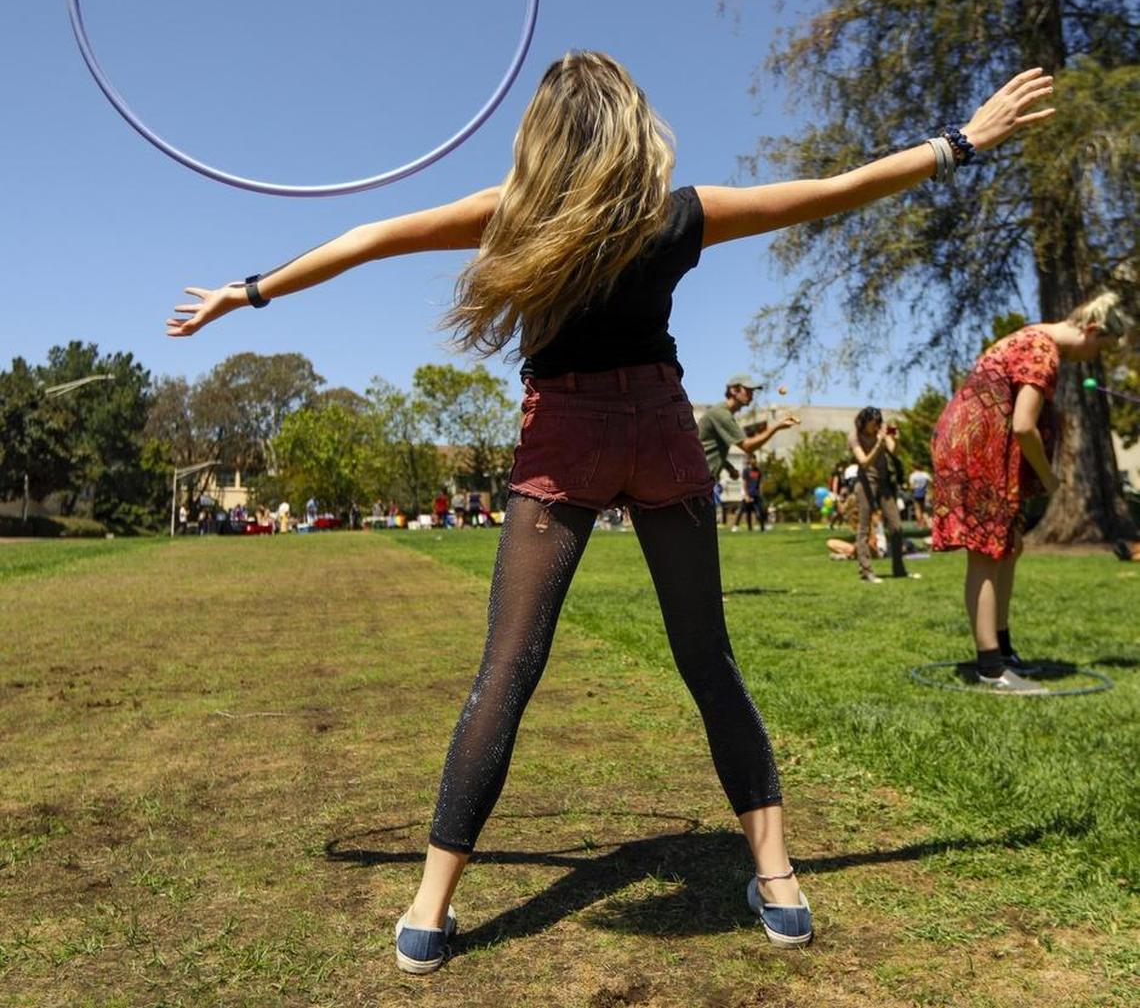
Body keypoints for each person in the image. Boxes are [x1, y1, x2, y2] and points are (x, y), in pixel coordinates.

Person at [166, 52, 1054, 971]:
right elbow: (837, 189)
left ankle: (430, 906)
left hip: (567, 432)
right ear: (631, 124)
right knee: (708, 657)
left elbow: (369, 236)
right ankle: (779, 879)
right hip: (660, 426)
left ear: (542, 135)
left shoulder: (517, 214)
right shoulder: (674, 215)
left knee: (507, 667)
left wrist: (252, 289)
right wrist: (958, 141)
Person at [932, 293, 1129, 693]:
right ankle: (991, 667)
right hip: (978, 448)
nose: (1092, 357)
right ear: (1091, 330)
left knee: (1010, 546)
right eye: (1099, 348)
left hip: (981, 446)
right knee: (986, 553)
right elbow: (1024, 424)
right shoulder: (1045, 350)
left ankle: (1003, 651)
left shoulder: (1034, 338)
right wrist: (1050, 477)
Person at [849, 408, 915, 583]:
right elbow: (863, 462)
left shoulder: (881, 429)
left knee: (896, 527)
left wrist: (896, 439)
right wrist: (879, 444)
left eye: (879, 422)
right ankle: (866, 572)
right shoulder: (854, 435)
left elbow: (893, 450)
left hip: (884, 483)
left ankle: (899, 570)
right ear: (864, 422)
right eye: (874, 423)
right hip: (865, 483)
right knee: (864, 528)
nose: (877, 426)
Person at [699, 375, 799, 491]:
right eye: (748, 391)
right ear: (734, 390)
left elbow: (706, 448)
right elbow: (748, 446)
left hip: (704, 482)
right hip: (700, 484)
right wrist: (776, 426)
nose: (751, 395)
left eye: (752, 392)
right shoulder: (721, 414)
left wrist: (729, 467)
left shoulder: (722, 413)